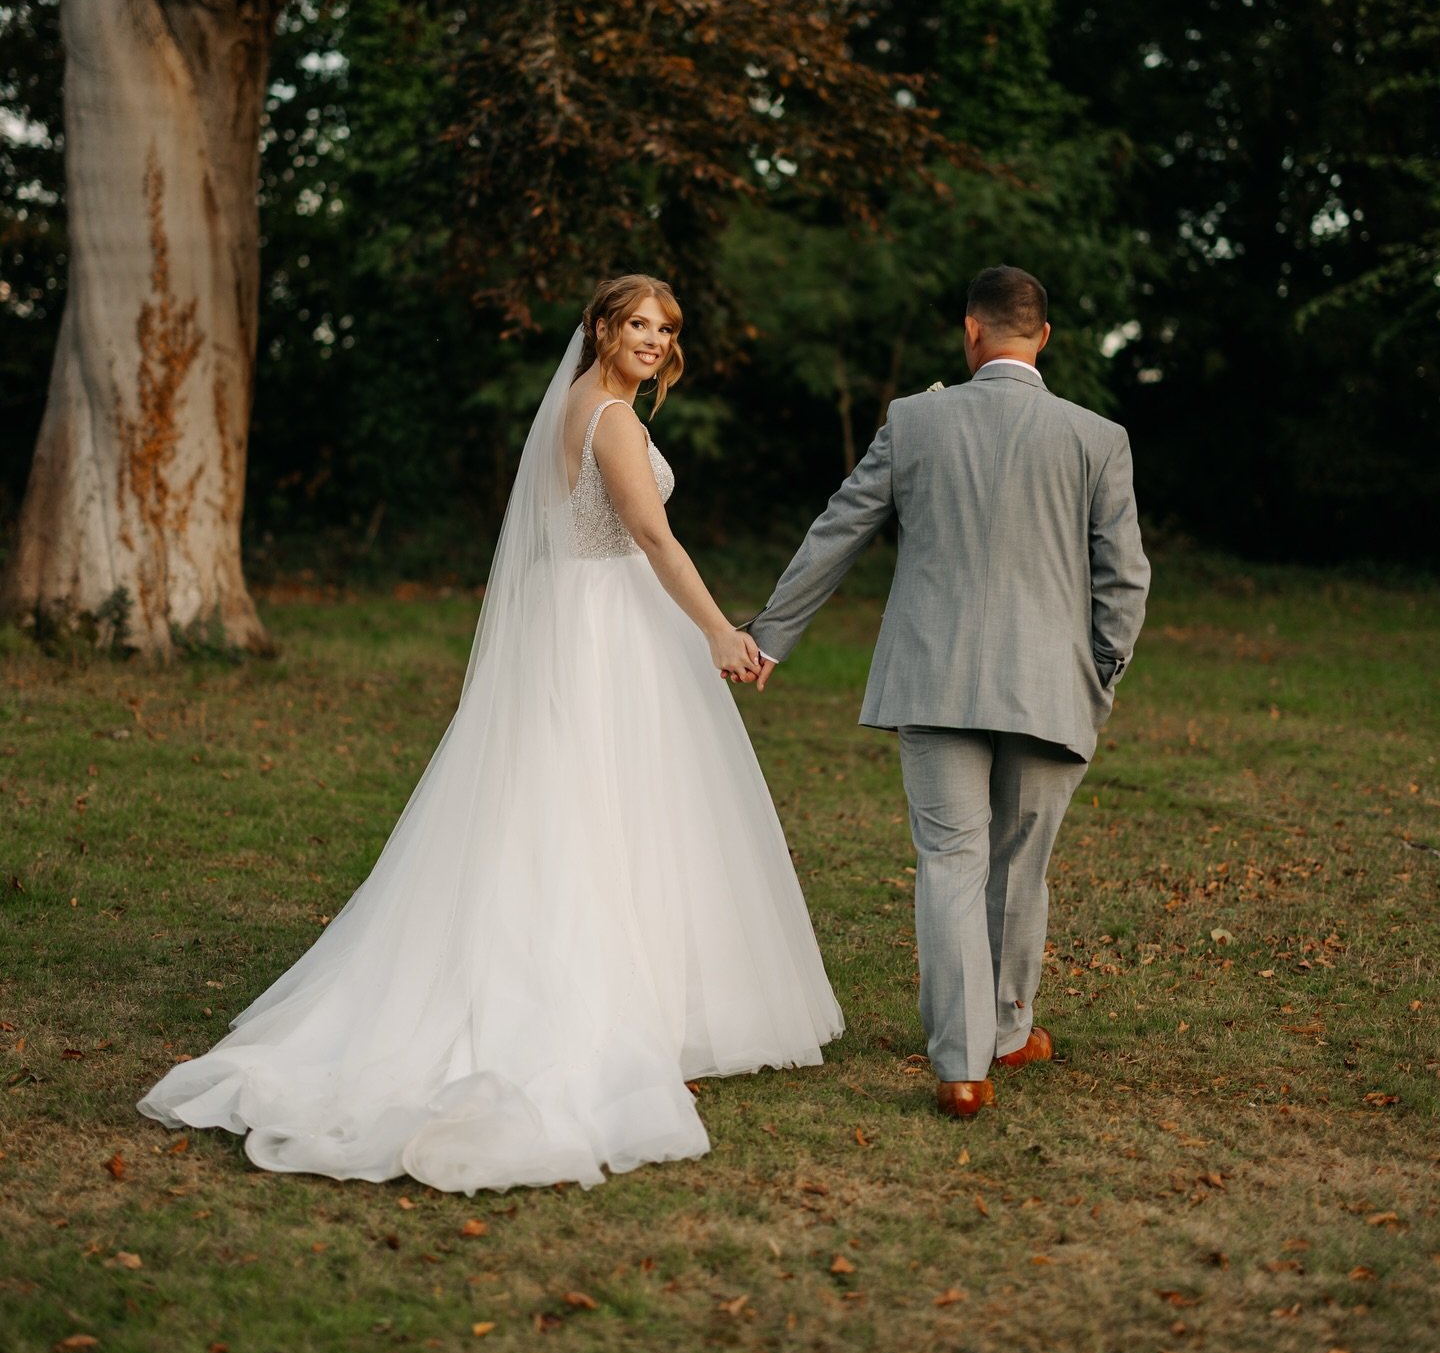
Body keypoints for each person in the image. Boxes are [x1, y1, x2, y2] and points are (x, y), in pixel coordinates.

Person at [139, 275, 842, 1191]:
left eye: (664, 329)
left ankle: (644, 996)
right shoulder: (615, 421)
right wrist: (718, 628)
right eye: (636, 323)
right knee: (613, 805)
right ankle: (608, 1001)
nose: (652, 340)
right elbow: (651, 536)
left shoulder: (575, 407)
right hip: (610, 623)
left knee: (570, 803)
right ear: (599, 327)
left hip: (576, 613)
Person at [748, 266, 1149, 1118]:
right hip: (1051, 689)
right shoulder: (1097, 436)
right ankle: (1007, 1028)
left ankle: (964, 1066)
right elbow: (1124, 582)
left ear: (972, 333)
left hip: (933, 679)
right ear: (1043, 337)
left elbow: (837, 532)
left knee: (951, 863)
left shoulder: (914, 420)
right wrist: (1100, 675)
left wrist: (771, 635)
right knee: (1019, 864)